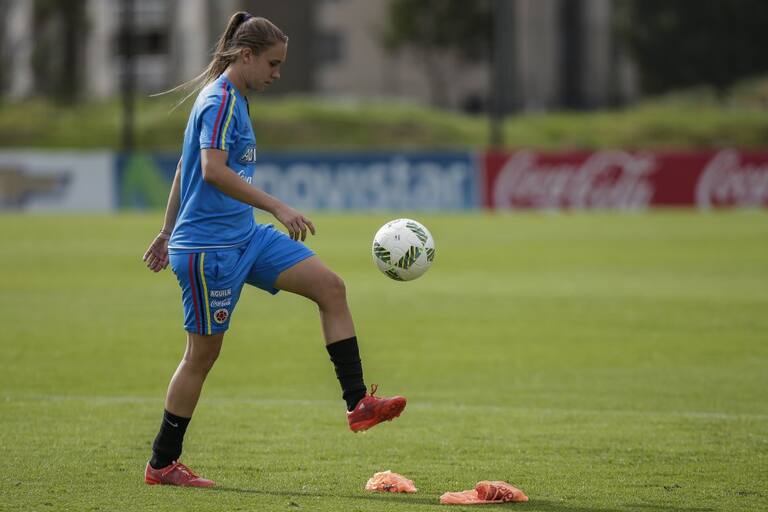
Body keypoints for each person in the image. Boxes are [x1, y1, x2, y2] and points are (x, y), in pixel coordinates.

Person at [141, 12, 406, 488]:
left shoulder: (235, 98)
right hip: (209, 251)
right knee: (201, 356)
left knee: (330, 288)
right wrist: (277, 206)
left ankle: (358, 403)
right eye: (273, 63)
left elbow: (184, 168)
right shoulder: (220, 100)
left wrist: (164, 230)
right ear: (246, 56)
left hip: (245, 238)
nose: (278, 73)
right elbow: (211, 170)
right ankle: (162, 462)